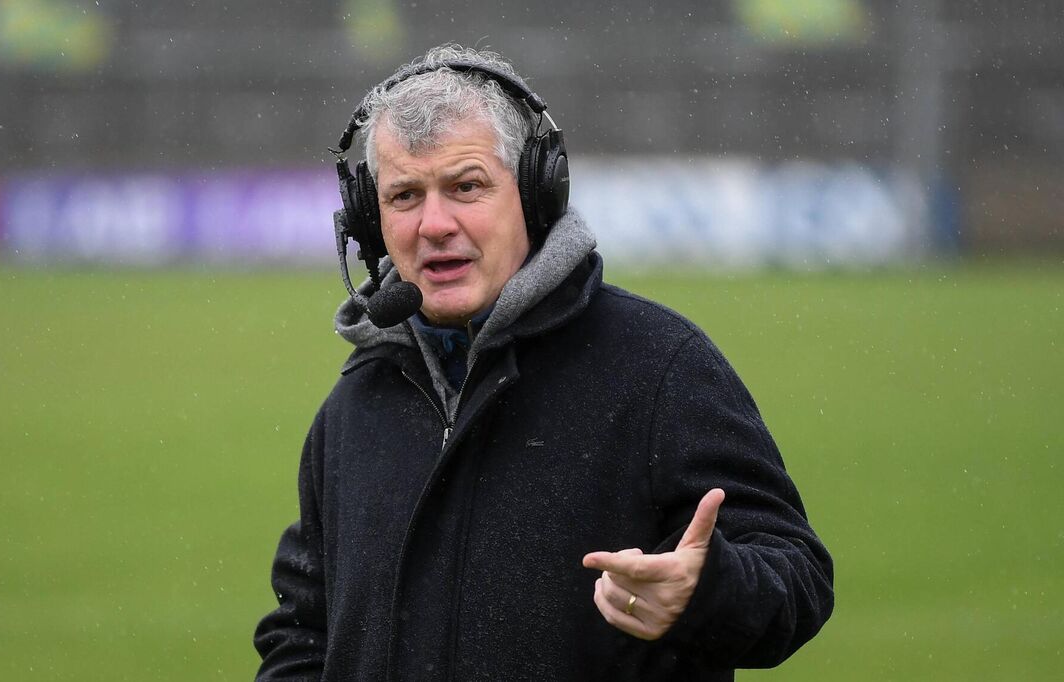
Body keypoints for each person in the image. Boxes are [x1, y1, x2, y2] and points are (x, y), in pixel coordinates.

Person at [254, 44, 833, 681]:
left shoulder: (659, 365)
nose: (434, 224)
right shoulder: (354, 406)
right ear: (371, 220)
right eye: (405, 196)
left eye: (466, 186)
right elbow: (303, 633)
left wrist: (708, 592)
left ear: (536, 193)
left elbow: (796, 575)